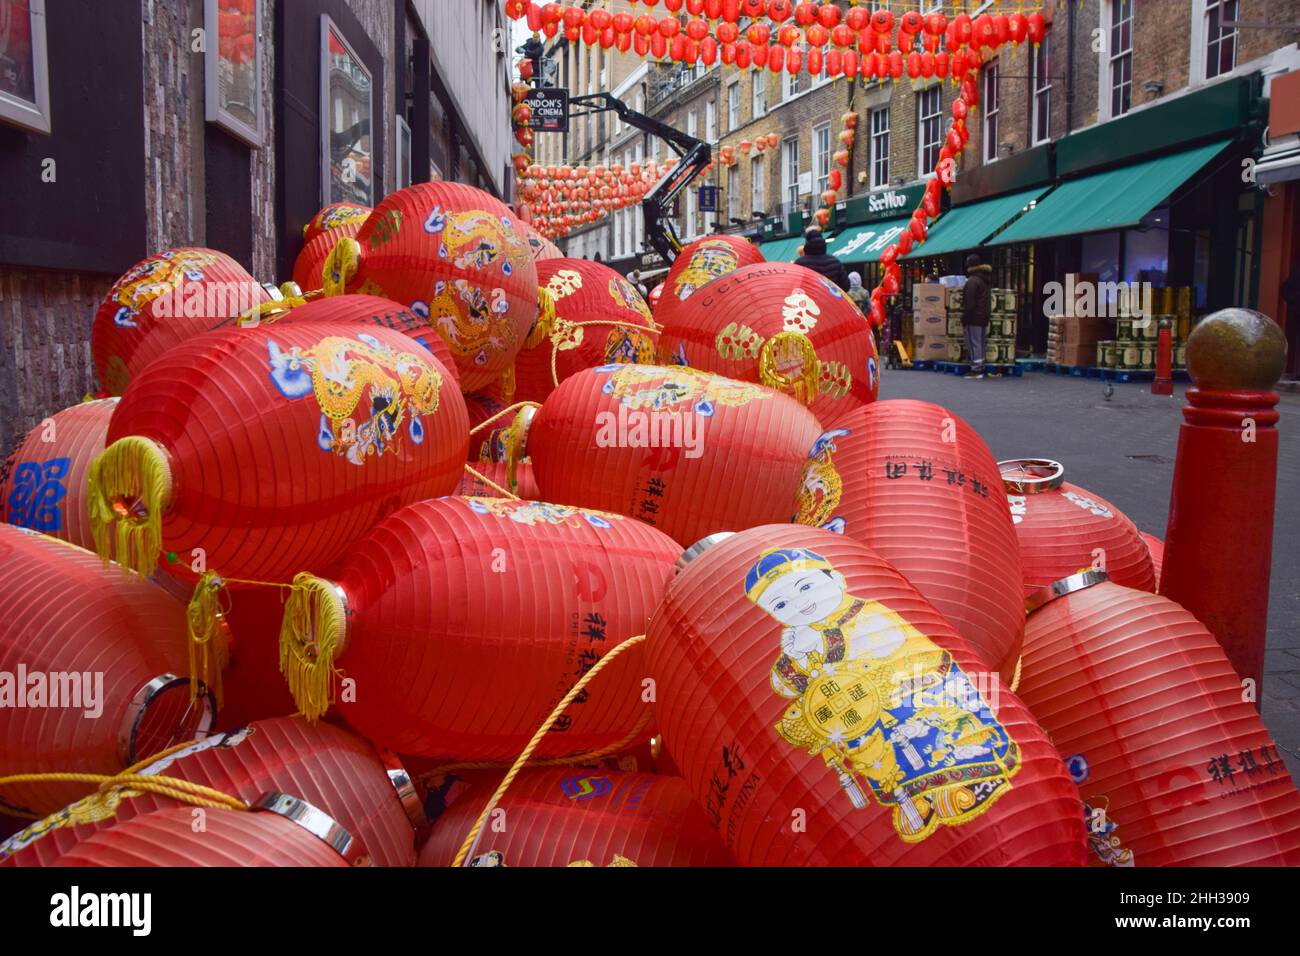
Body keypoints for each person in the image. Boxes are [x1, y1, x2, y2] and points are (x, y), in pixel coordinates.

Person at [960, 252, 993, 379]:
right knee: (979, 342)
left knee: (973, 343)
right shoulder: (983, 279)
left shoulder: (972, 281)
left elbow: (970, 303)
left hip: (974, 317)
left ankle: (976, 369)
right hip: (983, 316)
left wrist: (965, 317)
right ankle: (981, 366)